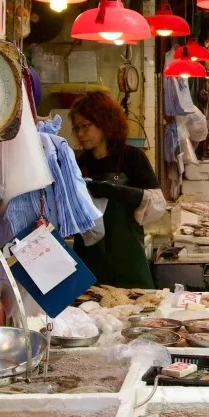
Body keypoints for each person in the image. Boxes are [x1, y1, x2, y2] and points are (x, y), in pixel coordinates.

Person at [71, 92, 159, 288]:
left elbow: (157, 204)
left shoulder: (132, 157)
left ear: (104, 122)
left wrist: (119, 192)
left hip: (127, 260)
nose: (80, 134)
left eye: (85, 126)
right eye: (76, 128)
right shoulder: (78, 164)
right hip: (89, 261)